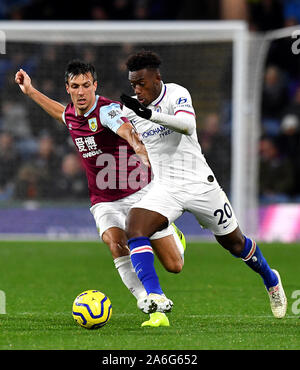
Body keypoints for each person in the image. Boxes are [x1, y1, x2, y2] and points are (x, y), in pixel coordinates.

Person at [15, 59, 186, 327]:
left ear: (95, 85)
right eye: (75, 86)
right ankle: (149, 301)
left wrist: (140, 149)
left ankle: (174, 235)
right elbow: (60, 112)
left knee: (174, 265)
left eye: (86, 85)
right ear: (68, 88)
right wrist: (31, 91)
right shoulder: (72, 114)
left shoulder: (107, 111)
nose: (81, 92)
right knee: (115, 243)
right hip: (104, 200)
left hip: (140, 193)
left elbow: (126, 129)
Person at [120, 50, 287, 319]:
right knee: (134, 225)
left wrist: (150, 115)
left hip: (200, 184)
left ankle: (270, 278)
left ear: (156, 79)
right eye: (133, 85)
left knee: (235, 244)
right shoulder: (131, 109)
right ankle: (155, 296)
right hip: (166, 187)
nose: (137, 90)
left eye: (141, 83)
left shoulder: (176, 94)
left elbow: (186, 125)